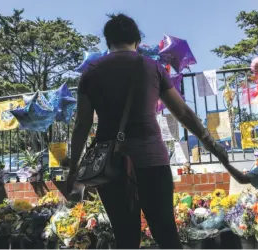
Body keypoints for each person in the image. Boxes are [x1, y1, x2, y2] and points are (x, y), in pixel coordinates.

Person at [68, 14, 228, 249]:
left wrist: (74, 169)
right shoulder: (151, 66)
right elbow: (182, 112)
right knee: (166, 233)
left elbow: (82, 125)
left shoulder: (91, 73)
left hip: (110, 166)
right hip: (152, 161)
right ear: (137, 40)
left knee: (125, 237)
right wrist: (207, 140)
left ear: (108, 41)